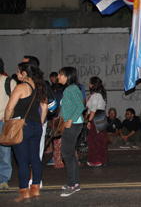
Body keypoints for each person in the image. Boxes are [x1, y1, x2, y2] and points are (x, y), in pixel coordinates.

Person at [4, 61, 48, 201]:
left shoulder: (21, 87)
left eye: (18, 72)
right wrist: (40, 122)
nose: (17, 74)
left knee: (22, 160)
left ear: (24, 73)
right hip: (36, 126)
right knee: (35, 158)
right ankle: (35, 189)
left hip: (22, 126)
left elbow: (10, 108)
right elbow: (45, 107)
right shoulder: (40, 87)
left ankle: (24, 191)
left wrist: (7, 121)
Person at [58, 67, 85, 197]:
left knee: (67, 155)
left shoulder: (71, 89)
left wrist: (70, 119)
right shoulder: (71, 88)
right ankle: (75, 183)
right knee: (71, 155)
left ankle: (70, 186)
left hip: (73, 125)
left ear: (68, 76)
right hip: (73, 124)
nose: (58, 77)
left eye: (61, 74)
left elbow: (80, 105)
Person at [0, 57, 16, 190]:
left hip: (3, 122)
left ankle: (4, 179)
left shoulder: (9, 82)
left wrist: (8, 118)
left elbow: (16, 102)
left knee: (5, 152)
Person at [86, 76, 108, 166]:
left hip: (96, 120)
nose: (89, 84)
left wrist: (89, 121)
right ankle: (101, 159)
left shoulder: (95, 96)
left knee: (94, 140)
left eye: (90, 82)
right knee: (100, 140)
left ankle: (95, 160)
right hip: (101, 118)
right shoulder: (100, 94)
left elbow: (93, 110)